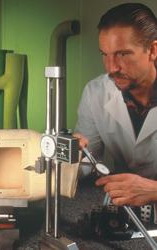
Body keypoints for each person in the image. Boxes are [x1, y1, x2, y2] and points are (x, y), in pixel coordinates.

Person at [74, 3, 157, 209]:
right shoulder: (96, 92)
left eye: (123, 54)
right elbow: (86, 164)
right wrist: (71, 155)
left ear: (153, 50)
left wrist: (154, 190)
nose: (112, 67)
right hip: (124, 210)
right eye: (104, 54)